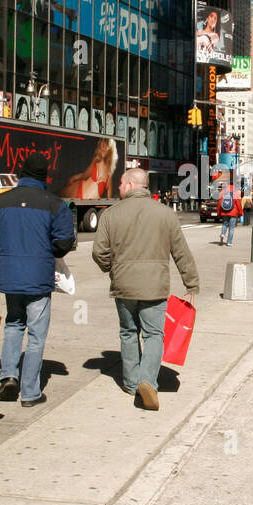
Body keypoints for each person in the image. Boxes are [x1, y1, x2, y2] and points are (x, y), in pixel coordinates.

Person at [92, 168, 199, 412]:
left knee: (128, 331)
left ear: (130, 185)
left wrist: (112, 268)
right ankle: (147, 381)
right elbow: (181, 252)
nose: (118, 188)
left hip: (123, 285)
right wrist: (191, 282)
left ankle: (130, 383)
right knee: (153, 335)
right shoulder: (164, 214)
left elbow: (99, 252)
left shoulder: (111, 214)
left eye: (120, 183)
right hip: (154, 287)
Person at [0, 156, 77, 407]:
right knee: (36, 334)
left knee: (13, 324)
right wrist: (46, 251)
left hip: (10, 275)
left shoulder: (1, 201)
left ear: (20, 173)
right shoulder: (54, 204)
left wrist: (9, 247)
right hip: (38, 277)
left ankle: (9, 376)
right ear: (45, 177)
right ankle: (30, 391)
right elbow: (65, 241)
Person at [215, 180, 242, 245]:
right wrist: (240, 213)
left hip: (224, 212)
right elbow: (238, 204)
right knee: (231, 228)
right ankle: (229, 242)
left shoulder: (222, 192)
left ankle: (223, 234)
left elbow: (219, 204)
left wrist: (218, 213)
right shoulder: (236, 192)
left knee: (224, 224)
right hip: (233, 213)